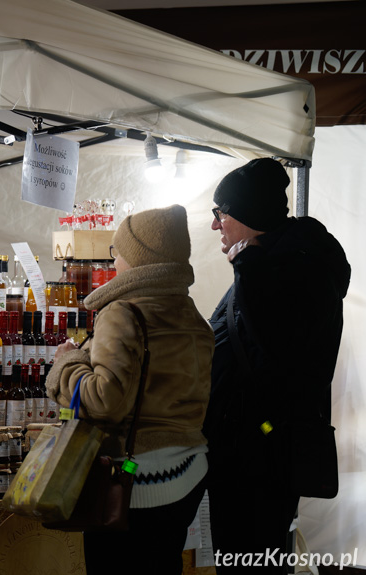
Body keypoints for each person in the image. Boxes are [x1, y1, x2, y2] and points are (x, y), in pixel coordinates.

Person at [47, 204, 213, 575]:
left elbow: (104, 402)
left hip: (134, 483)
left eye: (117, 253)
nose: (114, 262)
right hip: (188, 474)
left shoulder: (123, 311)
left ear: (136, 258)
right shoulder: (193, 315)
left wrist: (66, 363)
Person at [203, 158, 350, 573]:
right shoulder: (274, 266)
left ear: (247, 214)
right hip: (251, 453)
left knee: (250, 561)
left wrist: (251, 272)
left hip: (260, 457)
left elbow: (280, 354)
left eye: (221, 213)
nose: (216, 225)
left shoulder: (285, 272)